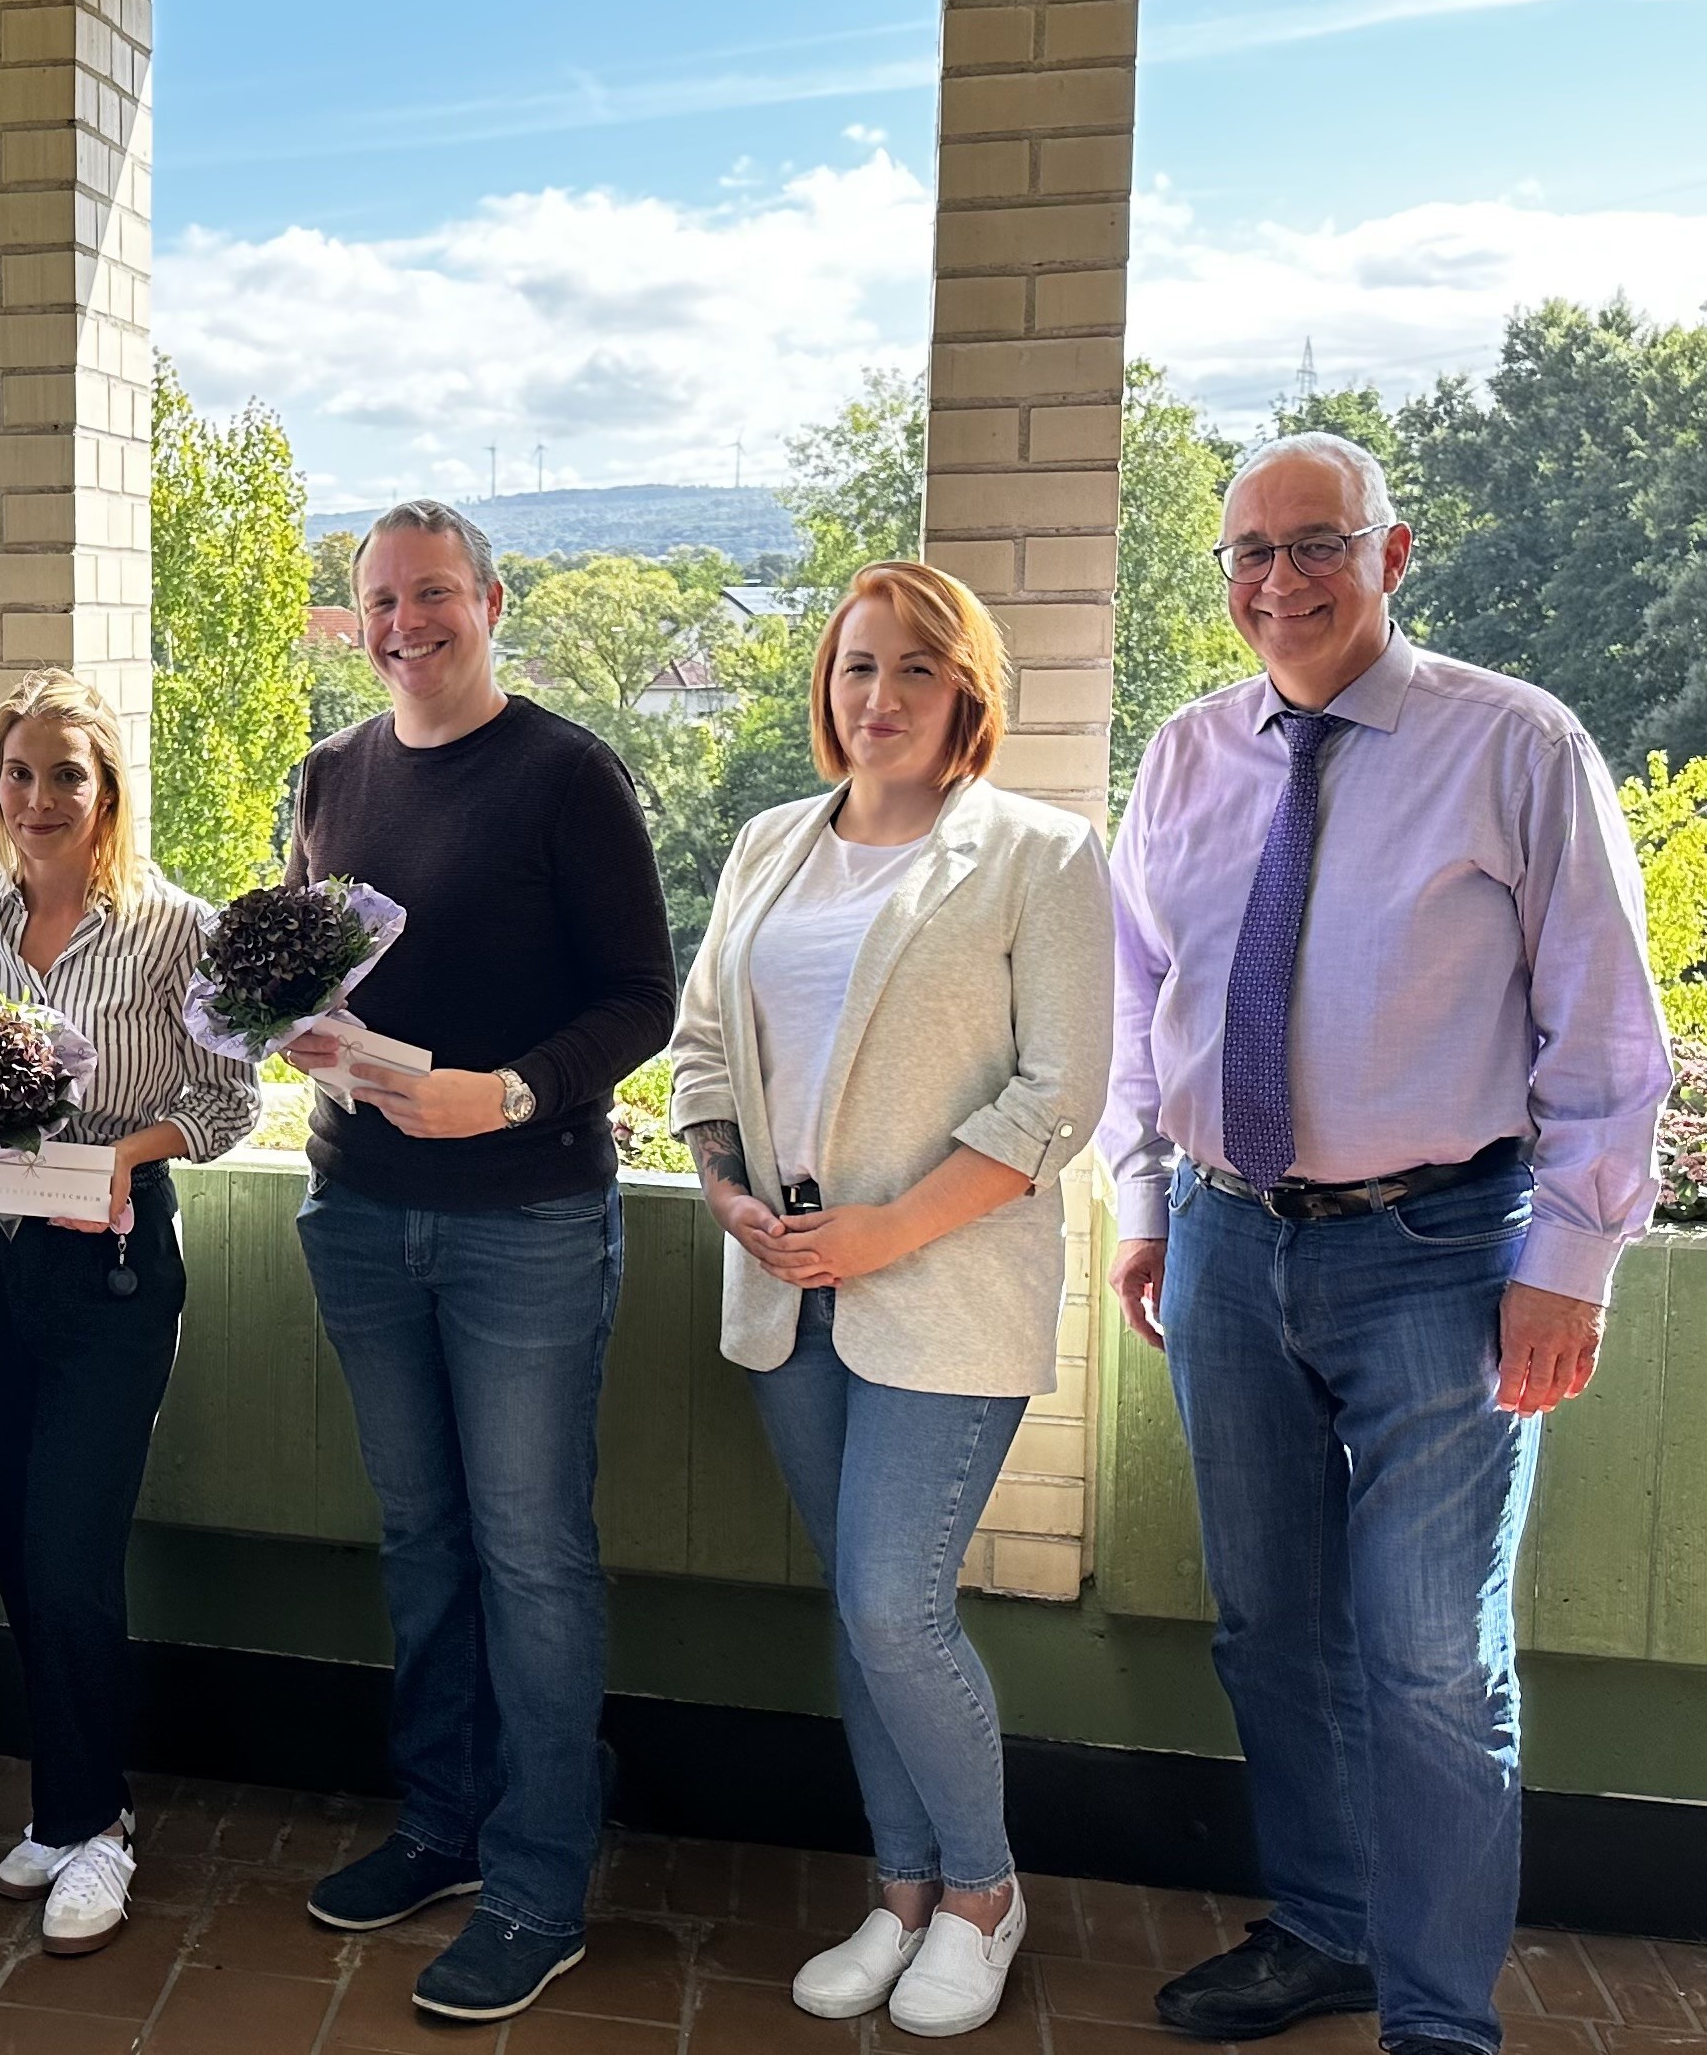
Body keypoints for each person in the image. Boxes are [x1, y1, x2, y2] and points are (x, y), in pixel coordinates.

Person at [1100, 434, 1667, 2055]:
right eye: (1245, 553)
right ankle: (1325, 1930)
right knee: (1265, 1624)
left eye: (1313, 543)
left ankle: (1434, 2020)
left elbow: (1606, 1034)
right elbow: (1142, 1001)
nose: (1275, 580)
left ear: (1392, 551)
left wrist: (1571, 1256)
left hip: (1439, 1253)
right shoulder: (1187, 753)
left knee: (1425, 1657)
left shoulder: (1514, 744)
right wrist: (1146, 1207)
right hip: (1221, 1242)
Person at [666, 562, 1112, 2038]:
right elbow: (704, 1054)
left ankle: (985, 1894)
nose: (881, 700)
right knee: (862, 1617)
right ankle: (901, 1891)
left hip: (947, 1293)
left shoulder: (1040, 855)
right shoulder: (767, 847)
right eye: (858, 669)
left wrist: (889, 1230)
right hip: (788, 1297)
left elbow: (1063, 1096)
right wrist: (730, 1194)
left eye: (915, 670)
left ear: (967, 692)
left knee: (890, 1602)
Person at [280, 500, 676, 2024]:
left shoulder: (570, 776)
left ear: (492, 602)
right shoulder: (327, 777)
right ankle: (443, 1827)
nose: (403, 624)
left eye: (433, 594)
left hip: (524, 1217)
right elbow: (306, 970)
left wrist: (503, 1092)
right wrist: (286, 1032)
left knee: (532, 1555)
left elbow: (641, 998)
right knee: (424, 1540)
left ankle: (538, 1879)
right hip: (358, 1209)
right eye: (380, 598)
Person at [0, 671, 258, 1956]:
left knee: (68, 1544)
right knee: (10, 1536)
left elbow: (232, 1103)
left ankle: (100, 1824)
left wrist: (121, 1153)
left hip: (113, 1257)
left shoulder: (177, 930)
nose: (40, 797)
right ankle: (60, 1806)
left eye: (67, 774)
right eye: (19, 773)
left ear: (107, 790)